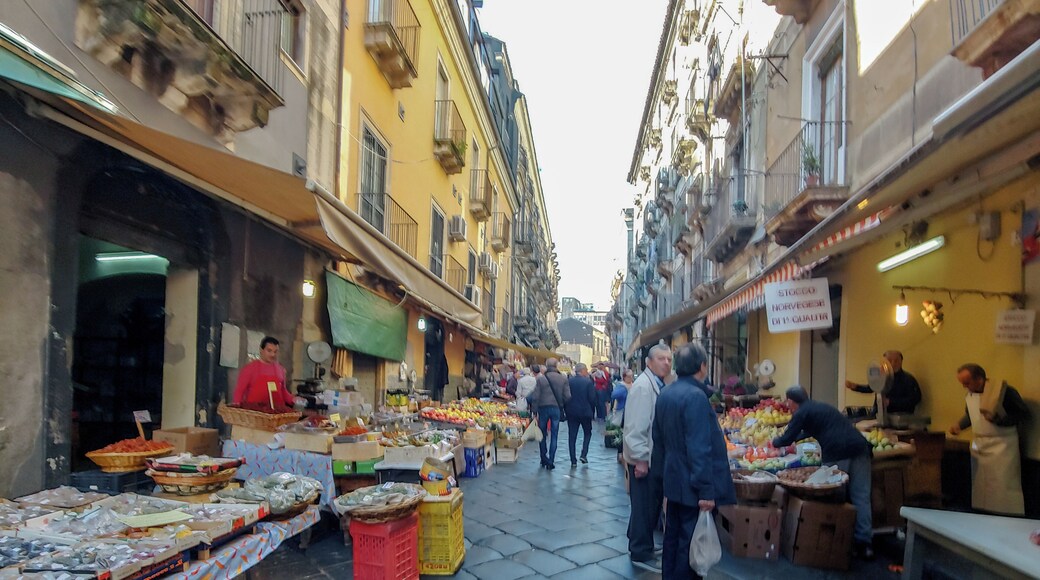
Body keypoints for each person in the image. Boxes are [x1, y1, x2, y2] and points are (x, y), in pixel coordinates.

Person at [653, 344, 736, 579]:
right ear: (702, 366)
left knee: (673, 536)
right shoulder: (695, 397)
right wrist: (706, 490)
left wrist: (661, 479)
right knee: (689, 544)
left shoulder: (666, 392)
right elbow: (699, 447)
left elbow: (657, 440)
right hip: (691, 482)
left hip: (674, 478)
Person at [773, 386, 874, 559]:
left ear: (791, 401)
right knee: (861, 496)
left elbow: (787, 437)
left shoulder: (801, 412)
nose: (786, 405)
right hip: (860, 448)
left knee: (835, 495)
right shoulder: (819, 407)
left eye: (787, 401)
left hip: (837, 452)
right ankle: (865, 544)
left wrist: (774, 443)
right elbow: (805, 432)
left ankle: (836, 541)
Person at [949, 363, 1031, 515]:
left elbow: (1023, 414)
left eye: (967, 383)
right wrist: (959, 425)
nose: (964, 387)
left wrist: (1000, 420)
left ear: (979, 379)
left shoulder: (1004, 392)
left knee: (1002, 489)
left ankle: (1007, 519)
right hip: (980, 446)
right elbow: (971, 415)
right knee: (981, 488)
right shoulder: (971, 394)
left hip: (1002, 446)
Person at [623, 343, 672, 572]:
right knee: (644, 506)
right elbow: (636, 426)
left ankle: (642, 544)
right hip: (644, 459)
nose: (666, 363)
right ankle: (640, 551)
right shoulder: (643, 387)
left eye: (669, 359)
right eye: (661, 359)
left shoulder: (655, 384)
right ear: (649, 362)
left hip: (652, 457)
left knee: (646, 505)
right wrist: (641, 458)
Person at [845, 350, 922, 414]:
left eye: (896, 360)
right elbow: (872, 388)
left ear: (901, 361)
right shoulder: (881, 376)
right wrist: (855, 387)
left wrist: (891, 402)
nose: (893, 363)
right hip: (878, 415)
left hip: (900, 417)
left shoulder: (908, 379)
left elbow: (915, 399)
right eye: (889, 361)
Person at [233, 336, 295, 408]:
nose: (273, 355)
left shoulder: (281, 370)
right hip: (254, 413)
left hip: (276, 414)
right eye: (269, 351)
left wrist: (293, 399)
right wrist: (236, 410)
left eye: (275, 352)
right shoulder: (249, 369)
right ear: (261, 350)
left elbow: (283, 392)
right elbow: (239, 392)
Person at [532, 358, 570, 470]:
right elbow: (568, 396)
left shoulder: (541, 379)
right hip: (556, 408)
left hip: (543, 408)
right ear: (557, 365)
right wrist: (561, 403)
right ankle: (551, 460)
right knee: (554, 434)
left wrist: (534, 411)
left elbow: (535, 396)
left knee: (542, 433)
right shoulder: (563, 379)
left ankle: (543, 457)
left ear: (547, 365)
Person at [565, 363, 597, 467]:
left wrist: (566, 409)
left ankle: (573, 460)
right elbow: (592, 399)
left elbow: (565, 396)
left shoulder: (569, 381)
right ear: (582, 370)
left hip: (572, 412)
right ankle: (584, 454)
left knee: (572, 436)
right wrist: (592, 411)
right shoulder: (588, 382)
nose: (587, 371)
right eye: (586, 369)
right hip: (585, 412)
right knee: (587, 433)